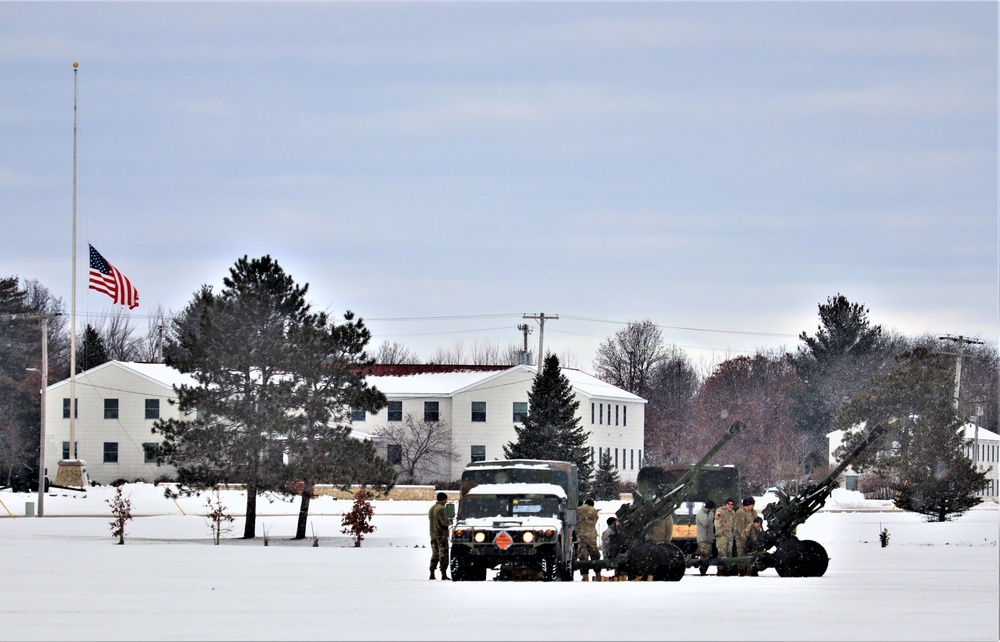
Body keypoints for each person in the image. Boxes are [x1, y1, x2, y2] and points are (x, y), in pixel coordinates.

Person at [576, 498, 600, 581]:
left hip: (581, 536)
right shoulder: (594, 510)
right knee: (595, 555)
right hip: (592, 536)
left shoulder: (578, 510)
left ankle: (585, 576)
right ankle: (598, 575)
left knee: (583, 556)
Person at [428, 492, 450, 580]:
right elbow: (444, 522)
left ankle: (432, 572)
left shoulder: (432, 509)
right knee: (443, 555)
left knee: (435, 554)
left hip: (433, 535)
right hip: (441, 535)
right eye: (446, 499)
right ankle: (443, 574)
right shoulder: (441, 509)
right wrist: (450, 522)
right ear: (443, 499)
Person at [734, 496, 759, 576]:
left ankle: (750, 570)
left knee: (751, 553)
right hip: (742, 537)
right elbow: (740, 527)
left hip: (751, 537)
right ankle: (742, 571)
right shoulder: (740, 512)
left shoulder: (754, 512)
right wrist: (743, 536)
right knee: (741, 554)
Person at [714, 498, 737, 576]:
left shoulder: (733, 513)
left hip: (730, 536)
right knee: (722, 552)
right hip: (722, 536)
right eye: (729, 504)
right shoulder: (720, 511)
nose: (730, 506)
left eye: (732, 504)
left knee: (729, 553)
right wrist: (721, 532)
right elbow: (717, 522)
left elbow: (734, 524)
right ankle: (721, 570)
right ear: (726, 504)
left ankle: (727, 569)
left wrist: (733, 533)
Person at [695, 499, 716, 576]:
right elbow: (706, 522)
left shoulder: (708, 514)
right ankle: (702, 572)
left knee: (707, 556)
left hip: (708, 539)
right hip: (703, 539)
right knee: (704, 556)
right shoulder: (701, 513)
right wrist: (711, 513)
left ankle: (704, 571)